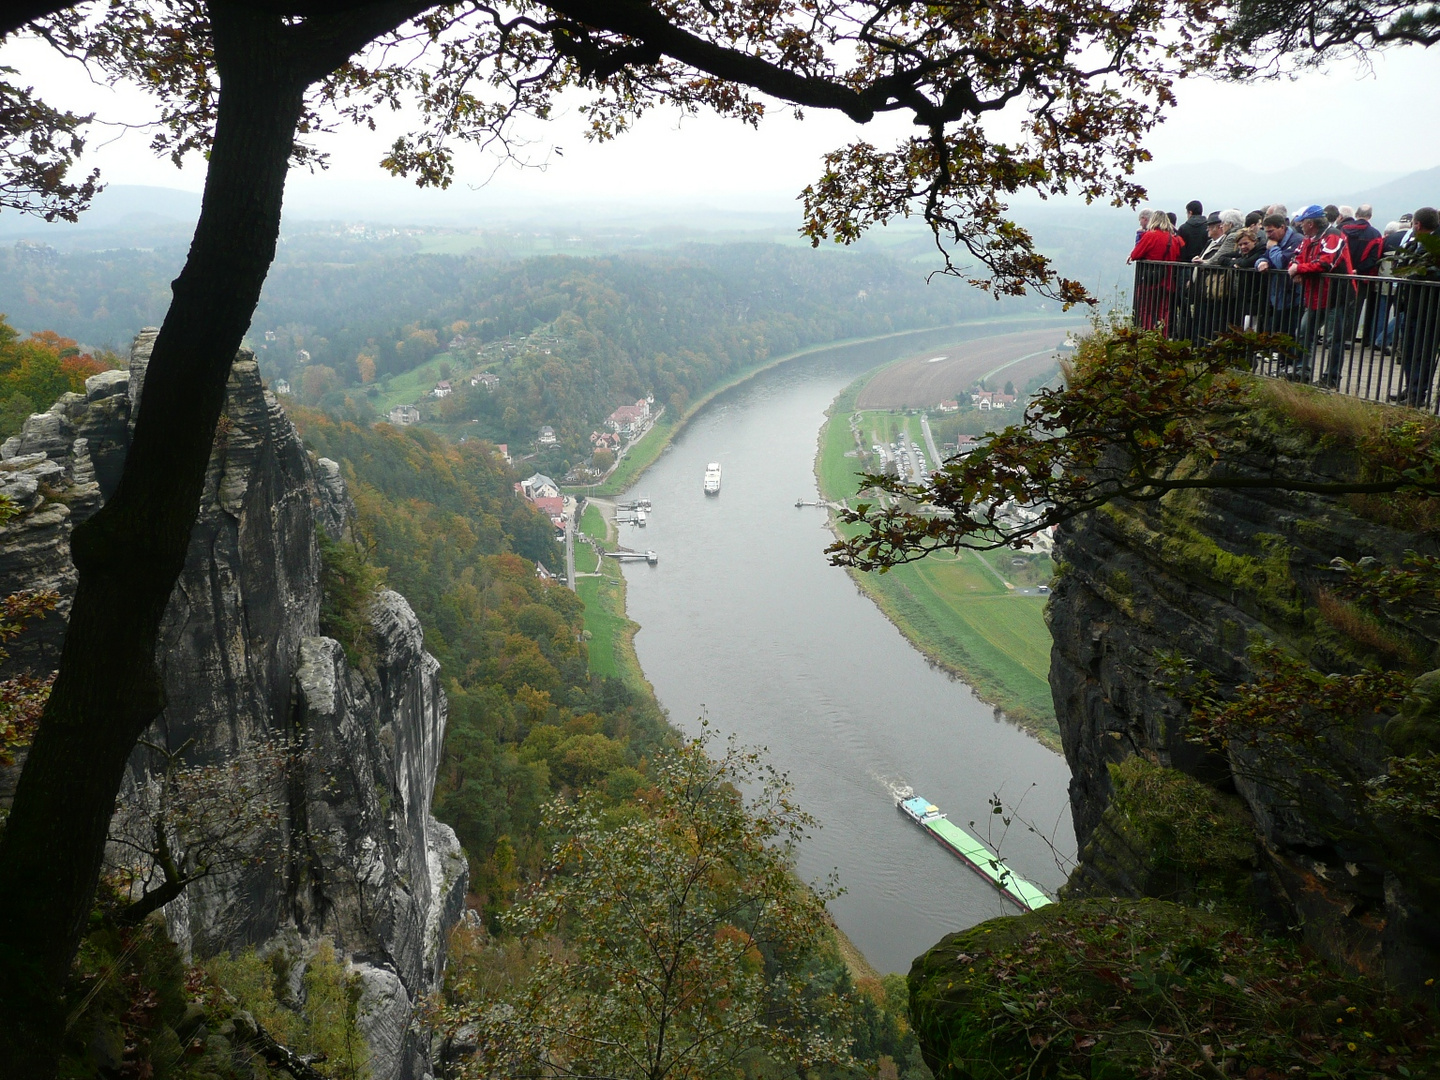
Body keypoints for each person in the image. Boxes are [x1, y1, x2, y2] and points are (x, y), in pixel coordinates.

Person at [1289, 203, 1356, 387]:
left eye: (1302, 222)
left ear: (1310, 223)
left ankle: (1331, 377)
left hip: (1337, 294)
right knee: (1303, 332)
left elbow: (1327, 263)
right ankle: (1301, 371)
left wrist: (1299, 269)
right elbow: (1296, 257)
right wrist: (1296, 269)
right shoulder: (1308, 238)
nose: (1300, 225)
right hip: (1315, 294)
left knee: (1334, 339)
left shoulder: (1333, 236)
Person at [1395, 206, 1440, 407]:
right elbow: (1400, 264)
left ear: (1418, 224)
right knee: (1408, 350)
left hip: (1429, 306)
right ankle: (1410, 388)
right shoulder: (1415, 242)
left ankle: (1417, 393)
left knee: (1423, 352)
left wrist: (1418, 272)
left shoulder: (1435, 243)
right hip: (1412, 305)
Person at [1129, 211, 1184, 333]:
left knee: (1146, 310)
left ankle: (1147, 335)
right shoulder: (1174, 239)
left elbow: (1135, 254)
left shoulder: (1149, 236)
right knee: (1163, 311)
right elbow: (1179, 256)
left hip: (1150, 281)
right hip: (1168, 281)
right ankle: (1162, 337)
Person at [1340, 203, 1384, 345]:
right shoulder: (1375, 234)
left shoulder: (1343, 230)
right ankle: (1347, 338)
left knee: (1337, 305)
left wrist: (1345, 268)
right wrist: (1358, 270)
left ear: (1356, 215)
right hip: (1360, 277)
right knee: (1355, 308)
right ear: (1370, 216)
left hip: (1340, 274)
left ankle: (1333, 336)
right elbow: (1374, 258)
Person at [1257, 211, 1303, 342]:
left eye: (1271, 231)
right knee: (1279, 330)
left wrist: (1273, 248)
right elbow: (1262, 258)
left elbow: (1281, 263)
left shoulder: (1296, 240)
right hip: (1277, 294)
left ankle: (1290, 360)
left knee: (1289, 331)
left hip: (1293, 294)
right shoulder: (1273, 241)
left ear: (1282, 227)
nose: (1268, 235)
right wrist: (1261, 262)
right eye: (1266, 232)